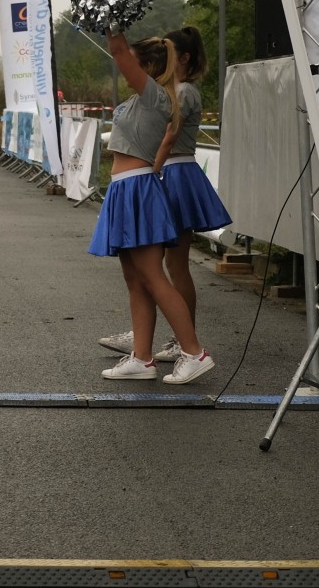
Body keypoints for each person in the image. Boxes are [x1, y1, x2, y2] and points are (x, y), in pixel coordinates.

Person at [87, 29, 213, 385]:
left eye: (135, 64)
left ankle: (194, 352)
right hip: (125, 188)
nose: (127, 70)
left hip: (137, 188)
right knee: (136, 279)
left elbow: (118, 52)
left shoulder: (155, 96)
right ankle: (142, 358)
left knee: (154, 277)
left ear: (149, 68)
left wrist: (112, 22)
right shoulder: (143, 98)